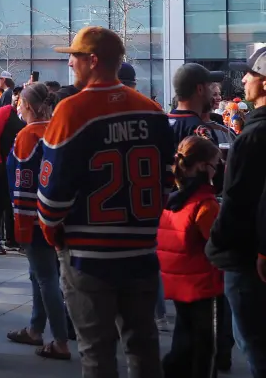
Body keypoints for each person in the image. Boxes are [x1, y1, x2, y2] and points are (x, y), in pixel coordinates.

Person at [37, 26, 174, 378]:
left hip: (88, 257)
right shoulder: (153, 111)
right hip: (141, 253)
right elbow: (168, 181)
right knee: (144, 347)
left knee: (97, 355)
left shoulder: (71, 111)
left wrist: (53, 235)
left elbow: (52, 199)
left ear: (93, 61)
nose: (70, 63)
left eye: (74, 57)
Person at [206, 47, 266, 377]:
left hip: (246, 260)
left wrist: (216, 245)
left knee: (254, 344)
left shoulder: (253, 137)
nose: (243, 79)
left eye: (251, 74)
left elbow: (238, 202)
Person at [6, 83, 70, 361]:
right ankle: (35, 327)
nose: (18, 107)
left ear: (28, 106)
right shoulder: (59, 131)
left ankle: (60, 340)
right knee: (42, 275)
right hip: (61, 215)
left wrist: (21, 224)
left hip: (35, 217)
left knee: (46, 278)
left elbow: (22, 183)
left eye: (20, 103)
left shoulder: (27, 135)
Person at [158, 135, 223, 378]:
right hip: (204, 283)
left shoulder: (173, 200)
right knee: (204, 347)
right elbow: (217, 244)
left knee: (185, 336)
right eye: (215, 165)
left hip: (178, 281)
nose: (217, 171)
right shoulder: (205, 205)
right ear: (202, 166)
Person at [0, 99, 25, 254]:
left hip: (11, 164)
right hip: (0, 162)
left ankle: (11, 239)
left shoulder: (18, 115)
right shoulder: (4, 112)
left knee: (9, 202)